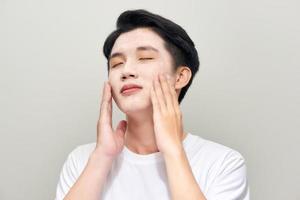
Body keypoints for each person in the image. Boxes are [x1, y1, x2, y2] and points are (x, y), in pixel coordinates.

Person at [55, 9, 250, 200]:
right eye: (116, 64)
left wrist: (173, 150)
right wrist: (102, 157)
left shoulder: (223, 163)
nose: (126, 71)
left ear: (180, 77)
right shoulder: (82, 161)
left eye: (145, 58)